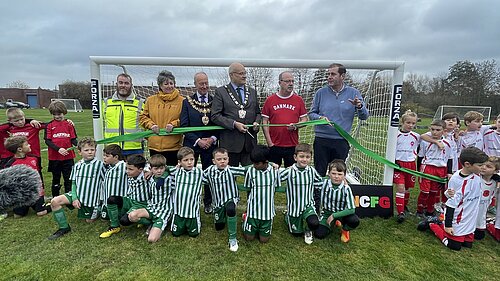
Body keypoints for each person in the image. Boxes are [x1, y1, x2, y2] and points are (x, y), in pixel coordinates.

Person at [308, 63, 369, 176]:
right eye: (328, 74)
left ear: (342, 76)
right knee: (319, 173)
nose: (329, 77)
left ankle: (336, 193)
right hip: (321, 140)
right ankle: (318, 193)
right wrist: (320, 118)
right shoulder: (320, 93)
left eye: (333, 74)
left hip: (341, 140)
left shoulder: (353, 93)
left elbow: (364, 116)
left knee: (337, 174)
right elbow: (312, 113)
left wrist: (359, 106)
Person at [423, 147, 489, 251]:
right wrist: (448, 226)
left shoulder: (476, 174)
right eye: (480, 165)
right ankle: (434, 224)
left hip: (470, 220)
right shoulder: (457, 180)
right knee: (454, 246)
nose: (483, 168)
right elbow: (450, 204)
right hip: (458, 220)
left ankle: (442, 221)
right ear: (467, 164)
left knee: (467, 245)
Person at [48, 137, 106, 240]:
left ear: (96, 151)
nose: (90, 152)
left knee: (89, 221)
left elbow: (106, 184)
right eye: (86, 150)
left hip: (91, 200)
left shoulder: (100, 165)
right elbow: (73, 183)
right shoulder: (77, 165)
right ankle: (64, 227)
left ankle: (99, 210)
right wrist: (74, 198)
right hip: (76, 195)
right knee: (54, 202)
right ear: (79, 152)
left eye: (92, 150)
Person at [181, 72, 219, 214]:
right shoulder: (187, 102)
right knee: (189, 174)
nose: (204, 86)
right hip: (192, 145)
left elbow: (220, 122)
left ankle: (208, 202)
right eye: (201, 83)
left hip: (210, 145)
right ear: (195, 84)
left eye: (206, 83)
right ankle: (190, 201)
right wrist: (198, 140)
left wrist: (212, 139)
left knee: (209, 174)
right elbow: (184, 126)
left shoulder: (216, 100)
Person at [211, 62, 261, 167]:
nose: (244, 76)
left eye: (245, 73)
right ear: (231, 75)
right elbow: (215, 116)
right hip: (230, 144)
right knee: (229, 178)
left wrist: (257, 122)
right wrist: (234, 124)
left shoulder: (252, 92)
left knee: (250, 176)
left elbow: (258, 113)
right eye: (241, 73)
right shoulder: (221, 92)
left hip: (249, 144)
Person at [202, 147, 246, 251]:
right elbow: (198, 177)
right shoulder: (209, 171)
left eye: (225, 159)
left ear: (228, 159)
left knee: (230, 209)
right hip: (217, 203)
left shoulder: (231, 170)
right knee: (219, 227)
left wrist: (269, 163)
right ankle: (221, 217)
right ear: (213, 161)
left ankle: (232, 238)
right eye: (219, 159)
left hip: (231, 198)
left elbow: (247, 169)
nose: (222, 161)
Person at [262, 71, 308, 167]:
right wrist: (270, 143)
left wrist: (296, 126)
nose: (290, 84)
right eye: (287, 81)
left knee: (292, 176)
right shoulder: (270, 100)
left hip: (292, 145)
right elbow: (265, 122)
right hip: (274, 145)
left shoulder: (298, 100)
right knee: (273, 176)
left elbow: (305, 120)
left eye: (292, 81)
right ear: (280, 83)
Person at [280, 143, 323, 244]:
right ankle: (287, 216)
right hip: (294, 207)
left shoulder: (312, 171)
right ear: (295, 157)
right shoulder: (289, 171)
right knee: (296, 234)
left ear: (311, 158)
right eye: (302, 156)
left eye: (307, 157)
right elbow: (275, 178)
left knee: (314, 223)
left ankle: (308, 231)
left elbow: (320, 182)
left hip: (308, 205)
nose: (304, 159)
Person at [140, 70, 184, 165]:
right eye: (166, 84)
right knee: (157, 174)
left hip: (174, 146)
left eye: (171, 83)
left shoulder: (182, 101)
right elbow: (143, 117)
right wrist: (151, 125)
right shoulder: (150, 100)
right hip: (154, 146)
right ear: (160, 85)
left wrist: (174, 124)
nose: (169, 86)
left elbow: (184, 119)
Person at [127, 154, 173, 243]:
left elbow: (175, 168)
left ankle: (159, 224)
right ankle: (150, 223)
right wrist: (150, 172)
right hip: (151, 208)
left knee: (151, 239)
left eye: (161, 168)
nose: (159, 171)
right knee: (132, 216)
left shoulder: (169, 177)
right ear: (151, 168)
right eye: (156, 169)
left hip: (163, 211)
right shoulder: (150, 176)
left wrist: (164, 174)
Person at [242, 145, 282, 243]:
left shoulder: (274, 172)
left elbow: (276, 187)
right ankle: (246, 219)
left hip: (267, 212)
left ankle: (262, 227)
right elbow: (248, 188)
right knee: (249, 239)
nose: (254, 165)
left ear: (266, 162)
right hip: (253, 211)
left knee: (264, 240)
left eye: (257, 163)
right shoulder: (251, 171)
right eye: (253, 163)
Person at [314, 159, 359, 243]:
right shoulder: (323, 183)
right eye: (333, 173)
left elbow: (352, 209)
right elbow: (310, 181)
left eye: (339, 174)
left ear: (344, 175)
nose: (336, 176)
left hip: (341, 213)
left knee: (354, 221)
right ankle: (332, 223)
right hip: (327, 212)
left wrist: (334, 215)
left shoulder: (346, 188)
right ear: (329, 173)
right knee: (319, 234)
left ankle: (345, 229)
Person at [3, 135, 48, 217]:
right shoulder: (10, 164)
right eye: (27, 144)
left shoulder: (34, 159)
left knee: (41, 213)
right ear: (19, 149)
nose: (29, 145)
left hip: (36, 193)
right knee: (18, 216)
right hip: (21, 195)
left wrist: (41, 188)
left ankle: (49, 204)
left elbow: (37, 175)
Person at [416, 120, 453, 218]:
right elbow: (420, 156)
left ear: (444, 131)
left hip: (441, 169)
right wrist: (418, 171)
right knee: (425, 191)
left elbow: (450, 158)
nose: (435, 132)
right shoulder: (425, 142)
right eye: (432, 129)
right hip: (427, 167)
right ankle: (419, 210)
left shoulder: (448, 143)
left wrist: (449, 172)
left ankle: (429, 211)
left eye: (438, 130)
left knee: (433, 192)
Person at [103, 73, 145, 156]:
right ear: (116, 84)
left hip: (134, 149)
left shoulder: (141, 103)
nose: (123, 85)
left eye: (126, 83)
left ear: (131, 85)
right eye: (121, 82)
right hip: (112, 148)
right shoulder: (106, 102)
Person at [44, 100, 78, 197]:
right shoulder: (49, 125)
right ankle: (55, 197)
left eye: (59, 114)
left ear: (64, 112)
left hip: (68, 157)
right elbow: (47, 141)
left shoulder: (69, 124)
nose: (57, 116)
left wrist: (78, 145)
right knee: (56, 177)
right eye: (54, 114)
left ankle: (69, 196)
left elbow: (73, 139)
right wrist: (58, 149)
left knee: (69, 178)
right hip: (55, 158)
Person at [170, 147, 204, 238]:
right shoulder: (176, 171)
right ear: (179, 162)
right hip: (179, 210)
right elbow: (164, 170)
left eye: (191, 159)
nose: (189, 162)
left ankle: (194, 224)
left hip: (192, 211)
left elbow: (211, 176)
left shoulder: (199, 172)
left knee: (194, 234)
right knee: (175, 233)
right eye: (185, 160)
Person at [393, 110, 420, 223]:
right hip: (398, 164)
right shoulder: (395, 135)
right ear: (402, 122)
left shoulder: (417, 136)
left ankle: (404, 206)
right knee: (400, 187)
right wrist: (394, 162)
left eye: (413, 123)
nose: (411, 125)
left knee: (408, 188)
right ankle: (400, 213)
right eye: (408, 122)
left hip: (411, 165)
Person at [99, 144, 128, 238]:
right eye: (104, 155)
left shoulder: (123, 166)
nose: (104, 158)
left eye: (107, 156)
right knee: (103, 218)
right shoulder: (108, 166)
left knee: (123, 220)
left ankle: (115, 225)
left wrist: (148, 170)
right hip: (107, 201)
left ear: (116, 157)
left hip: (120, 201)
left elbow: (142, 166)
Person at [119, 154, 152, 228]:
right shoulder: (130, 175)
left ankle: (150, 222)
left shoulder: (146, 176)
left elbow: (162, 166)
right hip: (131, 200)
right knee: (112, 199)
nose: (127, 171)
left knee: (124, 221)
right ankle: (114, 225)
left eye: (130, 169)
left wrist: (151, 171)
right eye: (126, 168)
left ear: (140, 169)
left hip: (143, 204)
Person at [474, 156, 499, 240]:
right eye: (483, 165)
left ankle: (489, 224)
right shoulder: (476, 177)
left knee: (479, 236)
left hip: (482, 214)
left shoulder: (495, 183)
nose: (484, 168)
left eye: (488, 166)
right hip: (470, 212)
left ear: (496, 171)